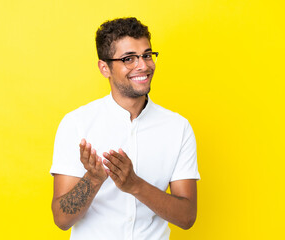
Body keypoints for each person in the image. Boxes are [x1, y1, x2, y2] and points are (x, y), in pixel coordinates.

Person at [50, 17, 200, 240]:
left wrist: (135, 185)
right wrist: (93, 178)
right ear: (105, 68)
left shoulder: (178, 128)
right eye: (129, 58)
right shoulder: (76, 124)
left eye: (147, 55)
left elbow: (187, 217)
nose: (143, 65)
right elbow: (62, 219)